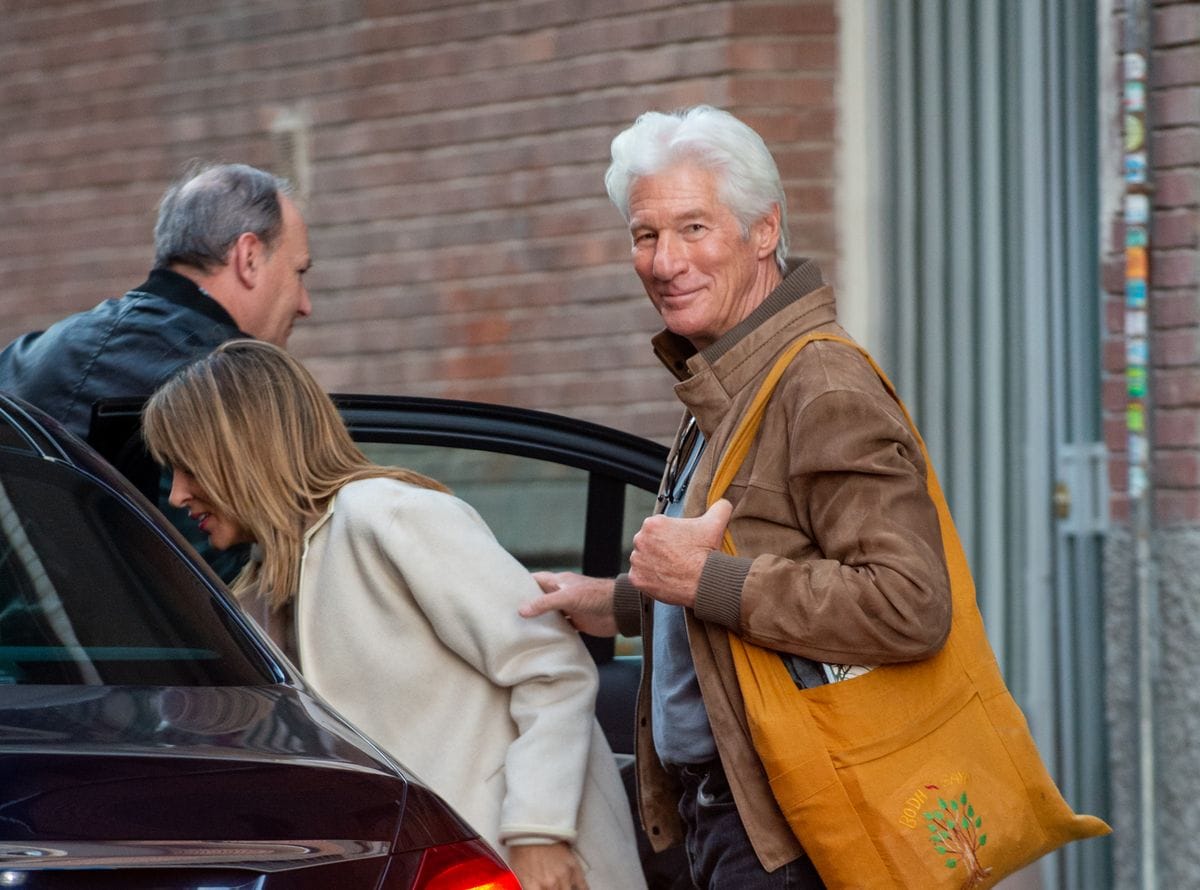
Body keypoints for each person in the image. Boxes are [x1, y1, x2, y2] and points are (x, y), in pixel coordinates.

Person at [520, 105, 953, 889]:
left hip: (793, 830)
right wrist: (621, 601)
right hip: (729, 821)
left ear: (763, 230)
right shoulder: (728, 379)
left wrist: (701, 581)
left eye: (694, 228)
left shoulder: (817, 381)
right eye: (646, 235)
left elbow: (909, 601)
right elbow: (761, 549)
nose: (664, 261)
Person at [141, 339, 647, 890]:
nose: (177, 494)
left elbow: (550, 667)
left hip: (519, 858)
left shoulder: (387, 516)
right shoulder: (267, 585)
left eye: (185, 466)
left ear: (238, 452)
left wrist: (538, 832)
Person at [0, 161, 312, 439]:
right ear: (249, 258)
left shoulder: (30, 356)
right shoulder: (237, 387)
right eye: (299, 272)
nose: (305, 305)